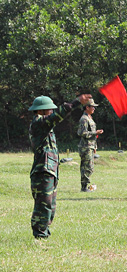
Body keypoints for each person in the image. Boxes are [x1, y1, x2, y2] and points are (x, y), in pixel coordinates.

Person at [28, 94, 91, 238]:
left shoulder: (44, 125)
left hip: (49, 170)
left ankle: (44, 232)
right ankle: (39, 234)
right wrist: (75, 103)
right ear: (42, 111)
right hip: (42, 171)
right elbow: (56, 116)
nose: (51, 111)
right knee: (43, 204)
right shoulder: (39, 123)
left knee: (50, 205)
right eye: (49, 110)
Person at [77, 98, 103, 192]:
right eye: (92, 107)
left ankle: (85, 185)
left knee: (89, 167)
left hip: (90, 146)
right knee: (87, 167)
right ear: (87, 107)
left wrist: (94, 146)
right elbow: (81, 133)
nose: (94, 109)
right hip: (85, 146)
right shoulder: (84, 119)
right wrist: (95, 132)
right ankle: (84, 187)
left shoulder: (89, 118)